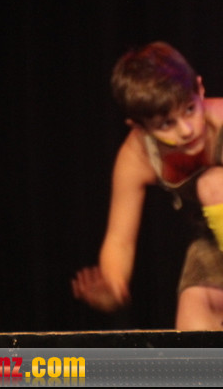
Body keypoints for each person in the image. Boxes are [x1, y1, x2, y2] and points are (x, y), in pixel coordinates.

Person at [72, 41, 223, 329]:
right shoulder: (137, 157)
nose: (186, 130)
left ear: (200, 88)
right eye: (166, 124)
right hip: (213, 243)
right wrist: (113, 286)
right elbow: (120, 240)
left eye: (190, 109)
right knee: (194, 305)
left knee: (213, 185)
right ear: (139, 127)